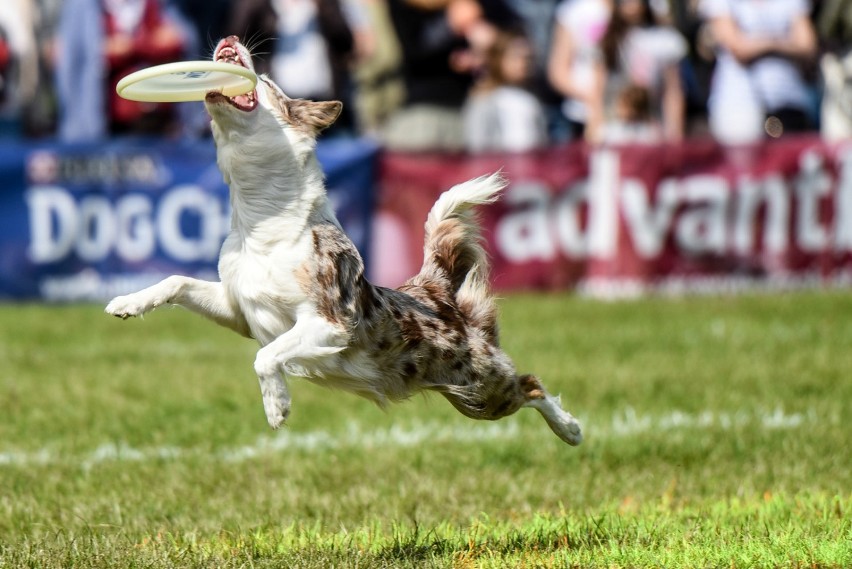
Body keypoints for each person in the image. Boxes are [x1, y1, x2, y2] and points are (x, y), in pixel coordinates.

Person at [55, 0, 196, 141]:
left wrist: (134, 46)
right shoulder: (83, 7)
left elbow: (181, 40)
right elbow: (73, 62)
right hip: (108, 130)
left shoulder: (160, 5)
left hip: (164, 127)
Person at [701, 0, 818, 143]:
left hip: (789, 102)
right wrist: (781, 42)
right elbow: (739, 50)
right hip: (740, 107)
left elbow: (807, 47)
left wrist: (759, 43)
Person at [586, 0, 687, 143]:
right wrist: (593, 127)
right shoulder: (607, 39)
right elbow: (597, 90)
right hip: (613, 131)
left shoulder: (665, 40)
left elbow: (673, 91)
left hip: (651, 131)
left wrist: (675, 135)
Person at [462, 29, 547, 152]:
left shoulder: (532, 99)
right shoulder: (484, 98)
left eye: (528, 58)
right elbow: (477, 144)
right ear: (498, 59)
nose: (523, 64)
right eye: (516, 57)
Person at [547, 0, 612, 141]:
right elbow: (558, 72)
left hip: (630, 117)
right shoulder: (573, 11)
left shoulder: (632, 8)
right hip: (581, 117)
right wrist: (595, 105)